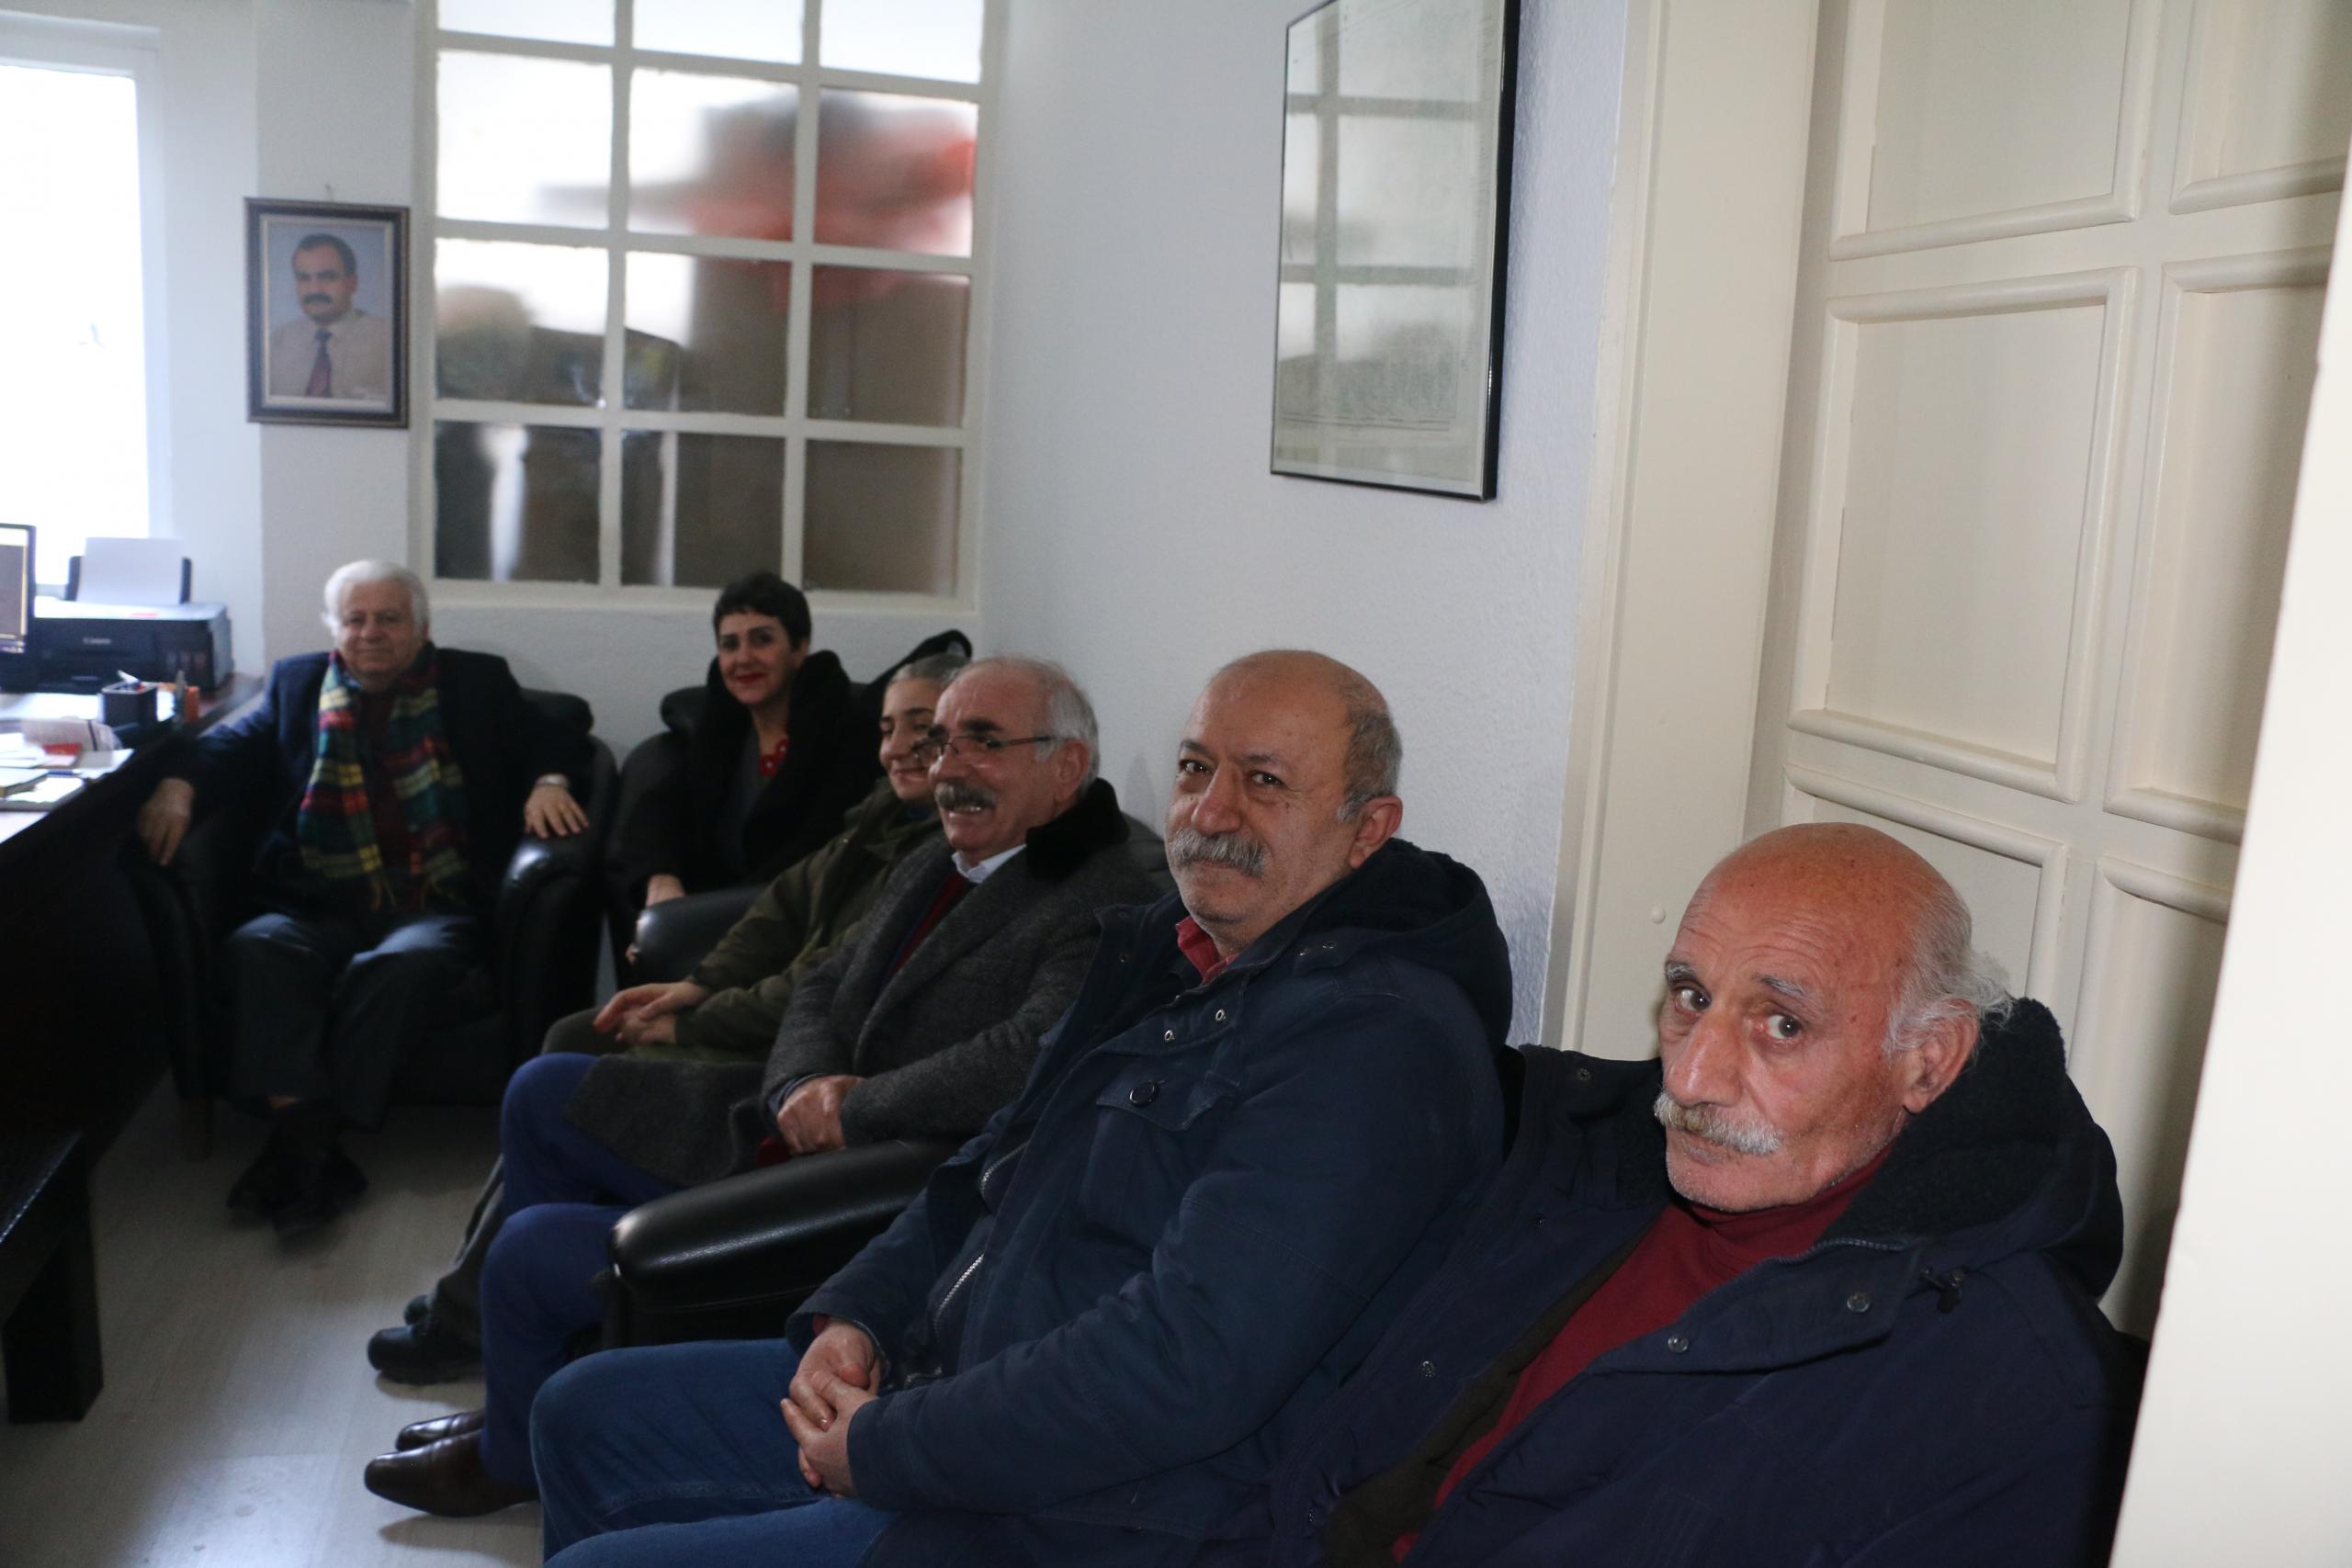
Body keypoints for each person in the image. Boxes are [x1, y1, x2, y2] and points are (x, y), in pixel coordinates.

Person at [526, 649, 1513, 1568]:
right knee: (580, 1410)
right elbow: (987, 1162)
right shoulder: (1168, 954)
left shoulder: (1375, 1042)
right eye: (1194, 767)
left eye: (1264, 781)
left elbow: (1187, 1363)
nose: (1211, 810)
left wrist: (888, 1444)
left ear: (1367, 829)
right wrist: (859, 1315)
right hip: (955, 1385)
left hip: (1104, 1509)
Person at [362, 655, 1157, 1519]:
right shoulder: (948, 852)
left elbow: (1021, 1056)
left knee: (527, 1252)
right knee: (545, 1086)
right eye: (942, 742)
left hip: (865, 1172)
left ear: (1066, 766)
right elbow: (823, 980)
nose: (948, 767)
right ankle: (526, 1395)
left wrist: (852, 1107)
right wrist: (802, 1081)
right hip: (790, 1112)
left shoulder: (1103, 892)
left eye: (983, 742)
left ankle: (514, 1449)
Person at [1257, 824, 2143, 1568]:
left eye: (1783, 1024)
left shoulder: (2017, 1400)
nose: (1687, 1077)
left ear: (1929, 1061)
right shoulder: (1582, 1154)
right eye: (1691, 996)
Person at [366, 652, 962, 1385]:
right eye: (888, 727)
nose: (898, 746)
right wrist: (693, 985)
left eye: (921, 727)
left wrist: (692, 1023)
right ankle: (486, 1297)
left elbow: (821, 986)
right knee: (572, 1038)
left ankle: (475, 1313)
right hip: (771, 1028)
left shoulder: (937, 853)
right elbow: (777, 910)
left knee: (561, 1074)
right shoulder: (882, 813)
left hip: (787, 1066)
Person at [135, 559, 592, 1236]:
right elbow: (229, 744)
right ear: (334, 628)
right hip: (315, 900)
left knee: (401, 967)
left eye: (389, 618)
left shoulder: (474, 683)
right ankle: (314, 1147)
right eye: (355, 618)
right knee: (258, 948)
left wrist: (550, 781)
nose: (370, 632)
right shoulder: (297, 683)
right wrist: (177, 785)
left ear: (422, 628)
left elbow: (560, 731)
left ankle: (297, 1142)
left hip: (432, 902)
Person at [608, 571, 879, 923]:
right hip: (708, 914)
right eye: (729, 645)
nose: (743, 658)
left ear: (800, 648)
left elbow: (818, 849)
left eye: (762, 640)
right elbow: (659, 809)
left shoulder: (847, 731)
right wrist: (662, 878)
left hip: (800, 920)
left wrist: (704, 917)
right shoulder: (724, 728)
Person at [266, 233, 394, 401]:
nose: (314, 290)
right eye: (304, 278)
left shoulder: (387, 340)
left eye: (327, 277)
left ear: (352, 283)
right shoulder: (278, 343)